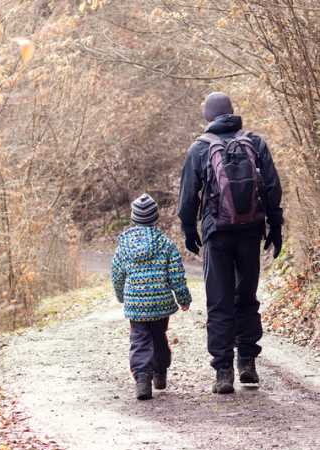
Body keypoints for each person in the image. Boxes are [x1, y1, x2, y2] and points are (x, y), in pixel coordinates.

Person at [178, 92, 283, 394]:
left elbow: (188, 196)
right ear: (232, 113)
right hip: (251, 231)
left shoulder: (200, 148)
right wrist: (275, 227)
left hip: (217, 234)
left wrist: (189, 230)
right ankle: (247, 362)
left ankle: (223, 372)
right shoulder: (255, 142)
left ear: (208, 117)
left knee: (219, 302)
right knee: (246, 298)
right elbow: (273, 188)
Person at [111, 193, 192, 400]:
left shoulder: (124, 246)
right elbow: (177, 275)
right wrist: (183, 299)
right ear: (155, 218)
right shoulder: (166, 244)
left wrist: (122, 296)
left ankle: (142, 380)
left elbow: (117, 275)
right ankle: (160, 372)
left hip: (136, 306)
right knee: (158, 337)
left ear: (133, 218)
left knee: (138, 341)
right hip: (160, 304)